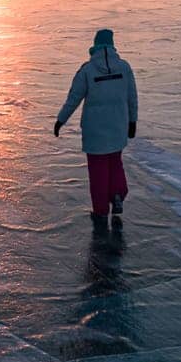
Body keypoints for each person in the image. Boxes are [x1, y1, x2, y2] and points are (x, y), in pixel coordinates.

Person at [54, 28, 138, 226]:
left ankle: (100, 211)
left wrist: (60, 120)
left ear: (95, 45)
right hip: (117, 127)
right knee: (115, 162)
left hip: (95, 131)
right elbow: (132, 97)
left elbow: (73, 98)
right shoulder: (124, 68)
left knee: (98, 169)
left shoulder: (87, 70)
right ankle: (117, 193)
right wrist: (132, 122)